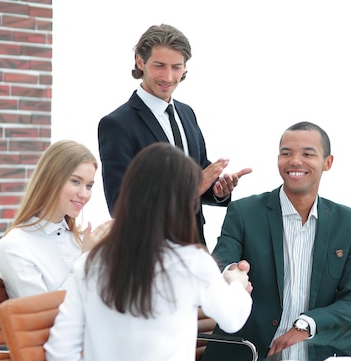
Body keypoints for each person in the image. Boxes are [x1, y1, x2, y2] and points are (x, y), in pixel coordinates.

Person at [44, 143, 300, 361]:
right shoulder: (188, 261)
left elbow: (60, 352)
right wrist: (236, 283)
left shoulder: (90, 263)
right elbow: (234, 318)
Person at [198, 122, 351, 361]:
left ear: (328, 162)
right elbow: (221, 262)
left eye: (307, 154)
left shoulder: (347, 221)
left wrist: (306, 324)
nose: (295, 161)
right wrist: (233, 274)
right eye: (286, 153)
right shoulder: (245, 212)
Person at [98, 23, 251, 245]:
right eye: (159, 65)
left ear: (185, 67)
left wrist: (217, 190)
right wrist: (192, 188)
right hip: (149, 253)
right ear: (140, 62)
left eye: (176, 67)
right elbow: (119, 206)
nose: (168, 77)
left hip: (196, 247)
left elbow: (198, 172)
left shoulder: (187, 113)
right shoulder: (117, 125)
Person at [0, 140, 111, 299]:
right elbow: (43, 316)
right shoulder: (15, 246)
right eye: (75, 181)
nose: (84, 194)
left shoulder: (81, 241)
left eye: (89, 186)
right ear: (51, 179)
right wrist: (85, 261)